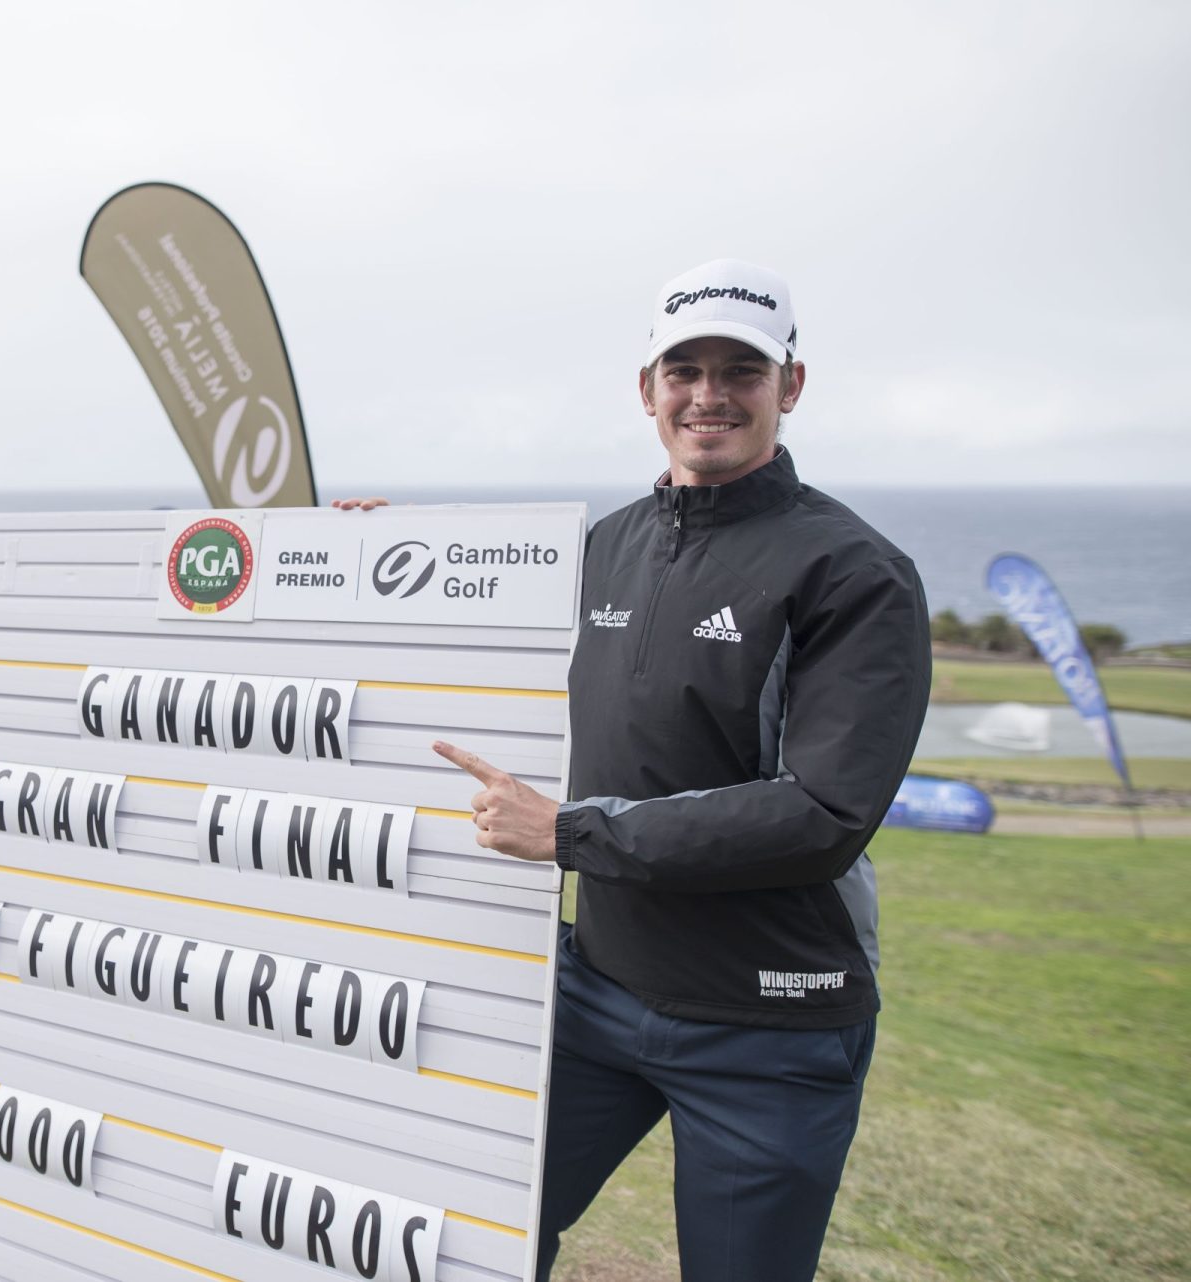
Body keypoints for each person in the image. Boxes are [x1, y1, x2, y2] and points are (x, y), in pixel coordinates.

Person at [336, 259, 931, 1281]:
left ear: (789, 387)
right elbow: (476, 634)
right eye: (684, 369)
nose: (709, 394)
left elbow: (823, 812)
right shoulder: (605, 547)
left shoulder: (854, 571)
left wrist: (572, 834)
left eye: (741, 370)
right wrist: (388, 558)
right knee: (466, 1241)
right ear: (647, 389)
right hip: (594, 996)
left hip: (769, 1023)